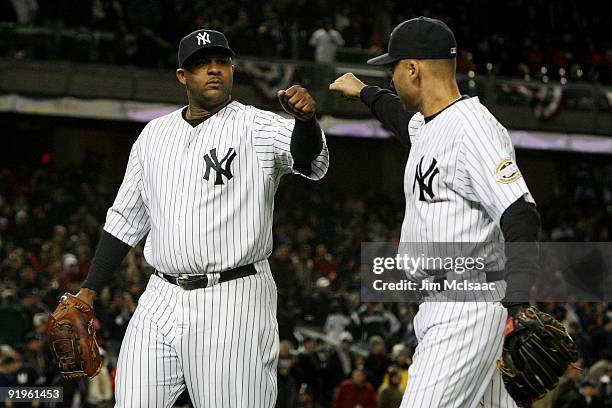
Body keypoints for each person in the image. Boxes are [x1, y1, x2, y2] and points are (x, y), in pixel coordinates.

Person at [54, 28, 329, 407]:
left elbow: (307, 160)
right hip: (160, 296)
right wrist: (89, 289)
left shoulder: (256, 125)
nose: (214, 70)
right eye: (202, 64)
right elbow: (125, 220)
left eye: (221, 62)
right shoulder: (154, 135)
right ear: (183, 76)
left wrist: (306, 122)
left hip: (233, 296)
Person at [330, 16, 548, 407]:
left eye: (393, 68)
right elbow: (401, 119)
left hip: (469, 305)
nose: (391, 78)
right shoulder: (431, 125)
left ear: (413, 69)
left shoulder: (473, 128)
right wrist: (364, 92)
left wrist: (519, 301)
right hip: (444, 303)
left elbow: (520, 212)